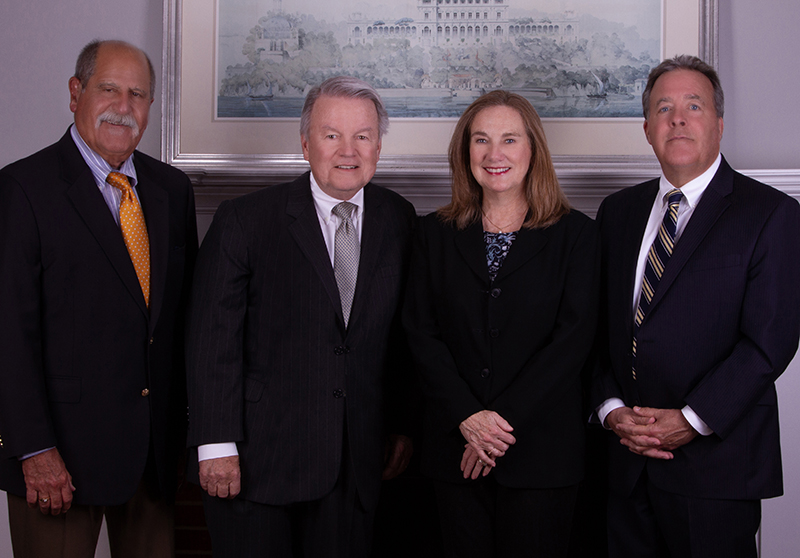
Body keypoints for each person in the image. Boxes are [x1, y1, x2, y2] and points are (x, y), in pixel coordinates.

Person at [186, 76, 416, 558]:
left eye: (363, 136)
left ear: (378, 146)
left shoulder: (400, 219)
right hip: (258, 462)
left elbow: (401, 339)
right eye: (332, 135)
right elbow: (212, 341)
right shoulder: (245, 220)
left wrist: (401, 425)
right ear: (306, 144)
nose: (348, 150)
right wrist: (216, 444)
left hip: (356, 464)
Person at [593, 55, 800, 558]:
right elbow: (595, 328)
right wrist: (611, 411)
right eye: (664, 108)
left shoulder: (771, 213)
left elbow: (769, 343)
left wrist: (690, 420)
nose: (678, 119)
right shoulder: (617, 212)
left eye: (694, 106)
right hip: (623, 463)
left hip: (716, 468)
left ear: (719, 123)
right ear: (647, 129)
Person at [0, 39, 198, 557]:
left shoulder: (172, 190)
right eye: (109, 89)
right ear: (75, 93)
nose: (123, 107)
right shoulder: (22, 188)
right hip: (59, 458)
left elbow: (182, 324)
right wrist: (33, 448)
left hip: (153, 457)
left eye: (138, 94)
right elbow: (7, 333)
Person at [402, 90, 599, 557]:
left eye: (509, 139)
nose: (495, 154)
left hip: (542, 456)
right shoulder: (432, 234)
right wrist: (467, 417)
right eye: (481, 140)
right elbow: (420, 334)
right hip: (454, 453)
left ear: (533, 149)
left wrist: (494, 428)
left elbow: (572, 342)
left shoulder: (578, 235)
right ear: (464, 151)